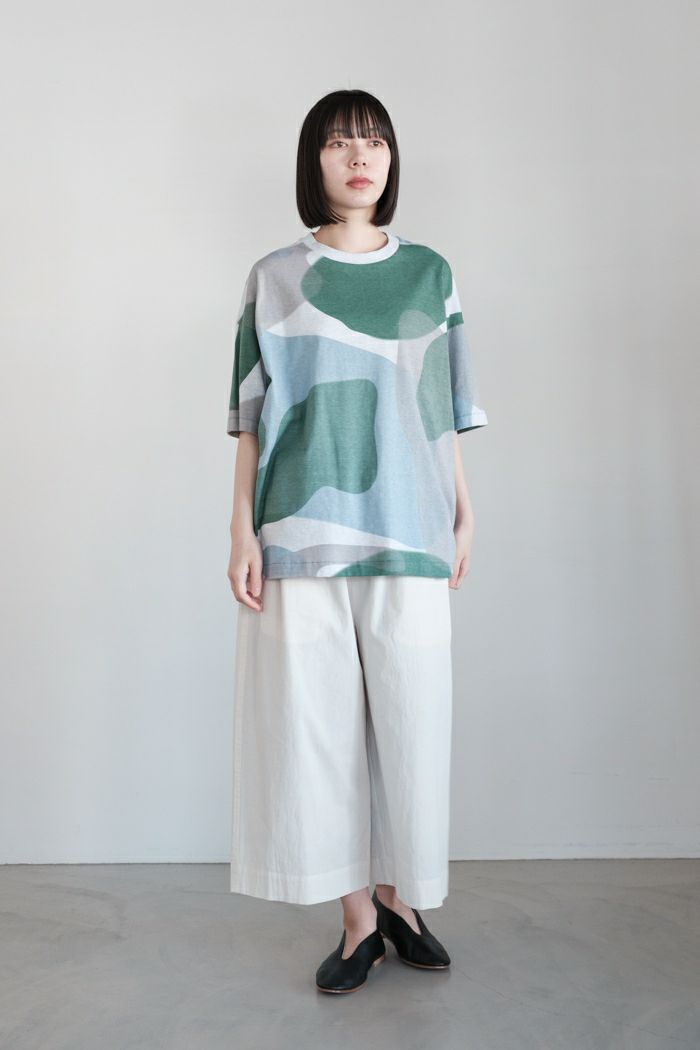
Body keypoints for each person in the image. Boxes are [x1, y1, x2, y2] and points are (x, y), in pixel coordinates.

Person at [226, 89, 489, 994]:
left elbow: (447, 406)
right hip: (299, 534)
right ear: (316, 161)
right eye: (339, 143)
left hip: (410, 526)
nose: (359, 157)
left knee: (414, 724)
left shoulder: (430, 273)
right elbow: (250, 417)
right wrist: (241, 531)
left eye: (373, 141)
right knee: (316, 732)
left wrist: (464, 509)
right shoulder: (274, 275)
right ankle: (357, 921)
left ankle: (403, 899)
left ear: (390, 158)